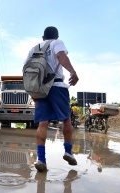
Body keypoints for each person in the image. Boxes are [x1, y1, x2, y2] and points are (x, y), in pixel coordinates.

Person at [24, 26, 79, 172]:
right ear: (56, 36)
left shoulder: (33, 49)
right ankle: (68, 152)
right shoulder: (57, 43)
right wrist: (73, 72)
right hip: (57, 86)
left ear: (43, 38)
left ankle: (41, 159)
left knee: (43, 123)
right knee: (66, 119)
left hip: (40, 89)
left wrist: (33, 93)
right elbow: (61, 56)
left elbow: (26, 71)